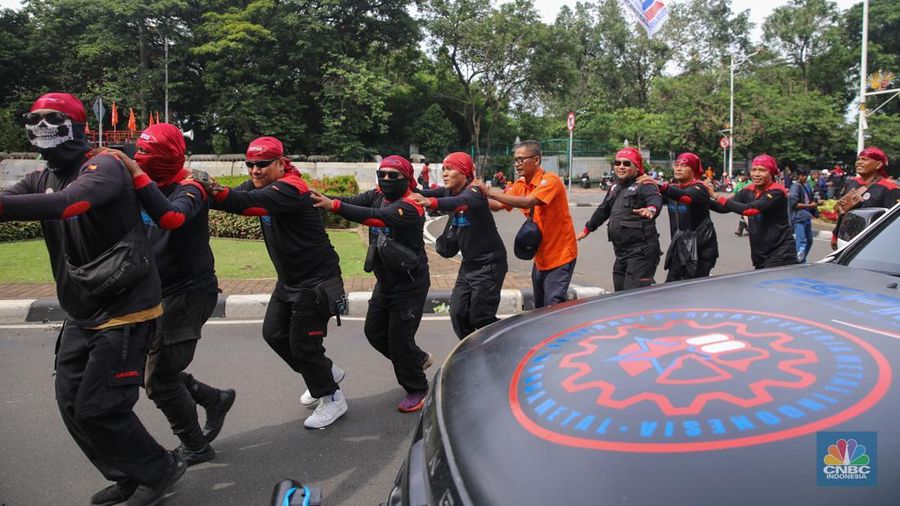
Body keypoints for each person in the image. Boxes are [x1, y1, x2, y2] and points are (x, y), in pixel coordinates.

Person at [0, 93, 184, 505]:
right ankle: (127, 476)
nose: (41, 125)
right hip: (82, 311)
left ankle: (159, 469)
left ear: (76, 126)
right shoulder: (42, 178)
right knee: (71, 404)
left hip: (125, 308)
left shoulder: (103, 166)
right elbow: (18, 199)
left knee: (100, 407)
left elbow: (69, 204)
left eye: (53, 118)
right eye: (34, 118)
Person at [104, 123, 235, 466]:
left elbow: (172, 218)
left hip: (188, 293)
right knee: (146, 365)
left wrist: (136, 175)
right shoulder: (141, 177)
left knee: (159, 380)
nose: (139, 158)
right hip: (153, 292)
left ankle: (196, 446)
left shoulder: (191, 187)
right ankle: (214, 398)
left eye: (147, 153)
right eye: (138, 152)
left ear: (167, 157)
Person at [210, 137, 347, 429]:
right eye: (250, 164)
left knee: (303, 346)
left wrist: (212, 190)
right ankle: (325, 372)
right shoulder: (260, 185)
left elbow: (241, 203)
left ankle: (332, 397)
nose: (255, 170)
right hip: (289, 280)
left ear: (281, 164)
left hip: (316, 281)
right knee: (273, 333)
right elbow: (232, 196)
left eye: (262, 164)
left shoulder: (290, 188)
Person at [310, 155, 432, 413]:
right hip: (385, 281)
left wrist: (333, 206)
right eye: (382, 174)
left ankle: (417, 388)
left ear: (407, 178)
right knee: (374, 332)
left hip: (410, 285)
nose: (386, 179)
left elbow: (377, 217)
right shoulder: (377, 195)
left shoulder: (412, 205)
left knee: (399, 340)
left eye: (393, 175)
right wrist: (318, 197)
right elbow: (352, 202)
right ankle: (415, 359)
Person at [409, 152, 507, 339]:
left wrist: (430, 203)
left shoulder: (474, 192)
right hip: (468, 265)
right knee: (458, 315)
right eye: (444, 169)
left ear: (464, 173)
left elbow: (460, 202)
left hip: (489, 264)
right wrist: (404, 187)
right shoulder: (449, 191)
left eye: (450, 169)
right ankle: (473, 350)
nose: (445, 173)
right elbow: (422, 193)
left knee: (480, 317)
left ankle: (509, 337)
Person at [476, 140, 577, 307]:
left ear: (536, 160)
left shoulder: (550, 181)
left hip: (561, 256)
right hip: (541, 258)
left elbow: (527, 201)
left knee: (554, 306)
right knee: (540, 308)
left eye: (521, 159)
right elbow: (499, 205)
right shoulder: (521, 185)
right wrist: (470, 198)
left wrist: (490, 192)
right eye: (515, 160)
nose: (517, 164)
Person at [576, 147, 662, 291]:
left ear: (637, 167)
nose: (621, 167)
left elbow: (654, 199)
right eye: (617, 163)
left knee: (633, 294)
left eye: (626, 164)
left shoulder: (645, 184)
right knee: (620, 292)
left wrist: (651, 210)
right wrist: (586, 230)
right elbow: (603, 210)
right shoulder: (615, 186)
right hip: (621, 251)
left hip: (641, 252)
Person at [711, 154, 798, 269]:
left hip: (781, 253)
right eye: (754, 170)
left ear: (771, 173)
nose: (756, 174)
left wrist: (717, 196)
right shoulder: (748, 190)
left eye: (762, 170)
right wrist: (701, 197)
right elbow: (722, 208)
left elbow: (750, 209)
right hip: (760, 254)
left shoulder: (777, 191)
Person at [658, 152, 718, 281]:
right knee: (671, 286)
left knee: (693, 289)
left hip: (700, 250)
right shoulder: (673, 190)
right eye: (676, 165)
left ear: (693, 170)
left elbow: (686, 197)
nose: (678, 168)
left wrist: (660, 185)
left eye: (684, 166)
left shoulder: (699, 189)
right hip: (679, 247)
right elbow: (653, 199)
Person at [831, 147, 899, 250]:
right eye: (858, 159)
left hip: (872, 243)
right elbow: (843, 212)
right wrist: (835, 235)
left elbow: (893, 222)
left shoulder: (890, 189)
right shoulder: (851, 182)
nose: (859, 162)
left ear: (878, 164)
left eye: (864, 159)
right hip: (846, 240)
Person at [788, 167, 818, 263]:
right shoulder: (795, 187)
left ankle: (801, 259)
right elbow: (794, 204)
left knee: (809, 240)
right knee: (801, 242)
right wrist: (809, 205)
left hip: (806, 217)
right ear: (799, 176)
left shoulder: (805, 186)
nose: (805, 178)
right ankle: (800, 262)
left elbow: (810, 199)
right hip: (798, 218)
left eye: (806, 175)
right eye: (804, 176)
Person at [732, 171, 750, 236]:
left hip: (750, 202)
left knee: (745, 215)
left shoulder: (750, 183)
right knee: (744, 215)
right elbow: (734, 193)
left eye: (743, 175)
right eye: (740, 175)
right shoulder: (738, 184)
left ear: (747, 177)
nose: (741, 177)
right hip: (741, 203)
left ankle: (741, 229)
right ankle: (743, 229)